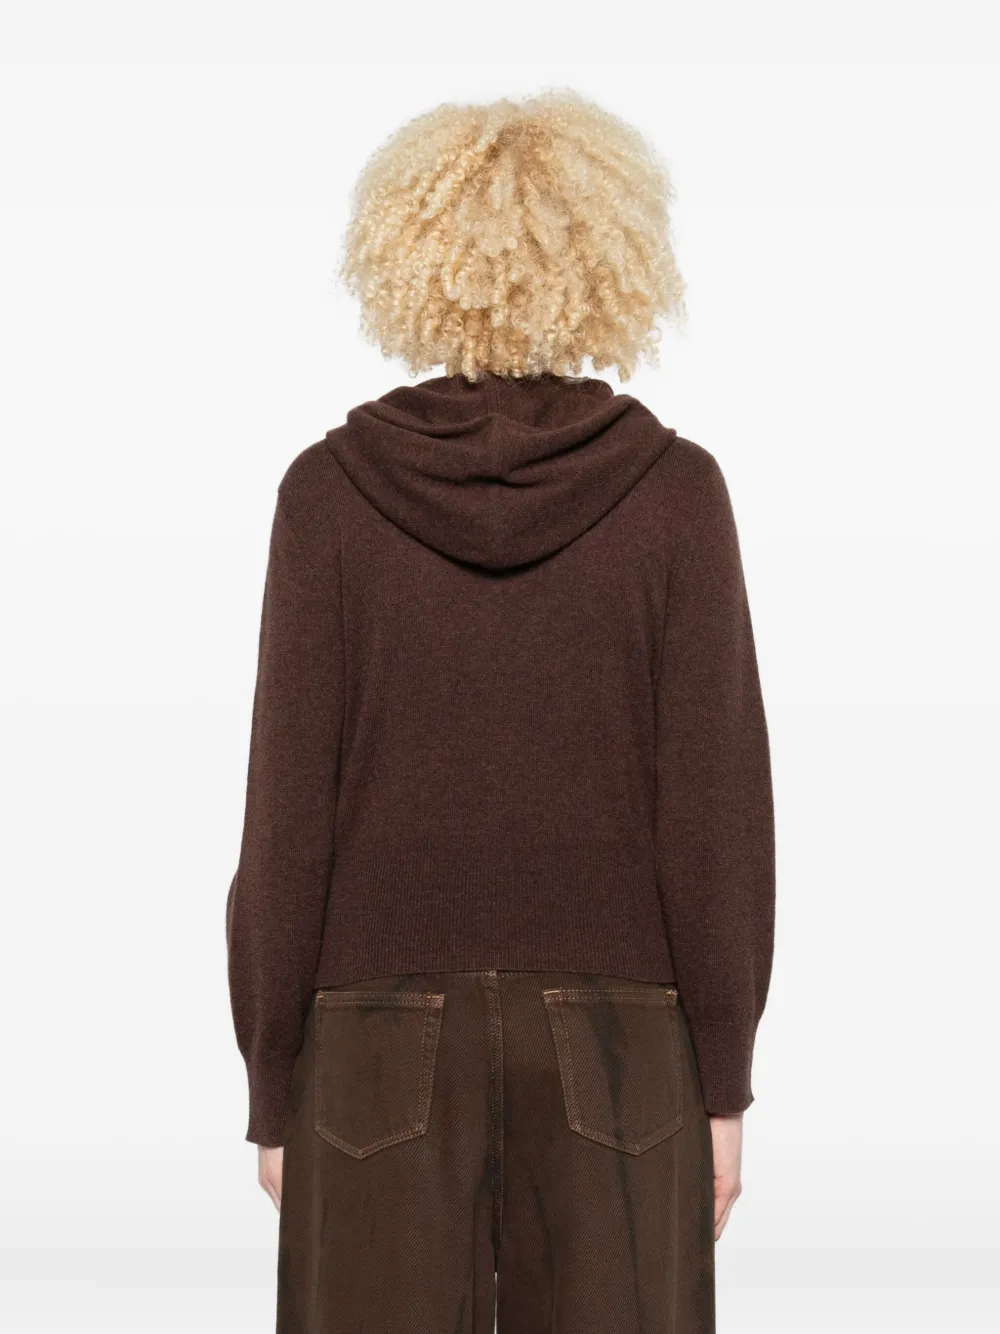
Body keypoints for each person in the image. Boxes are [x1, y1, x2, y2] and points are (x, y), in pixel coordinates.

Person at [225, 88, 775, 1334]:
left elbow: (285, 815)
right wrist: (723, 1078)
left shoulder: (328, 495)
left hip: (369, 1042)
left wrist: (271, 1080)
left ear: (409, 259)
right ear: (612, 258)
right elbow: (715, 817)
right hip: (623, 1043)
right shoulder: (676, 495)